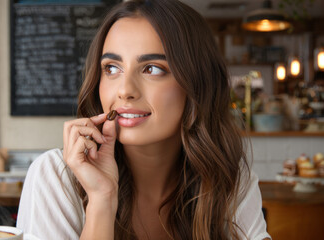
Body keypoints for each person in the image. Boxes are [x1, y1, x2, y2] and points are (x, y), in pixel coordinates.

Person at [17, 0, 271, 239]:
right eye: (112, 68)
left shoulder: (229, 179)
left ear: (198, 83)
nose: (125, 90)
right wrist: (101, 199)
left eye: (152, 68)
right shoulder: (57, 176)